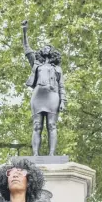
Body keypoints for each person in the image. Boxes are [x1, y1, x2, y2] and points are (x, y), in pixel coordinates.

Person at [21, 20, 67, 156]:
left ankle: (52, 154)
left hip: (53, 96)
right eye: (45, 47)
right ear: (42, 51)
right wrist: (24, 31)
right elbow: (27, 48)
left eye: (49, 47)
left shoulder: (57, 68)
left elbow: (62, 85)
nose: (47, 48)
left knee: (52, 125)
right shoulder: (36, 64)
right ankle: (35, 154)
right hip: (38, 96)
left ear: (52, 52)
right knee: (37, 126)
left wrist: (63, 101)